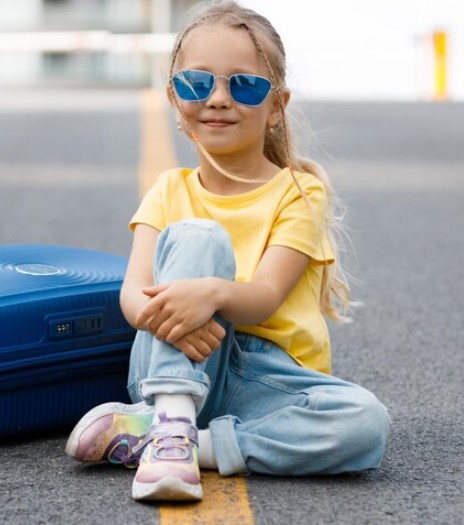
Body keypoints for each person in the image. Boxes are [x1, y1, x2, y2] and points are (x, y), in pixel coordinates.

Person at [64, 0, 389, 502]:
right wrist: (174, 313)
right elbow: (132, 297)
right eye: (198, 83)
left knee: (366, 423)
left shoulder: (298, 192)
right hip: (178, 359)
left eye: (244, 85)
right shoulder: (169, 190)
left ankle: (192, 444)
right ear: (175, 99)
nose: (218, 98)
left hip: (267, 380)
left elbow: (263, 297)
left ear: (276, 106)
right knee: (200, 235)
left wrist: (209, 294)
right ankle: (172, 417)